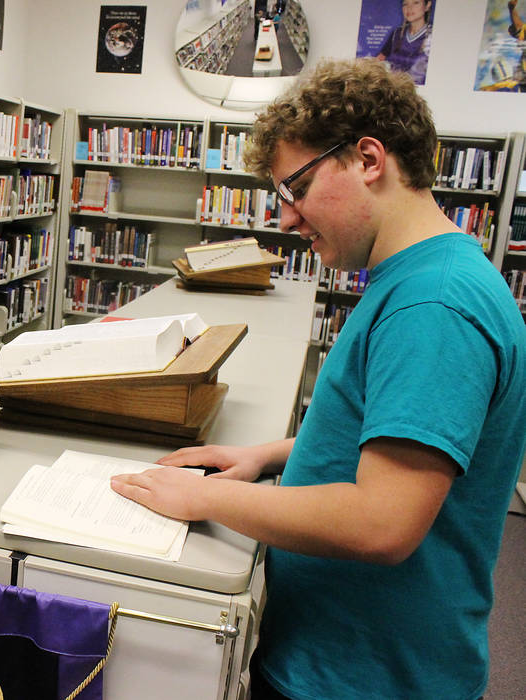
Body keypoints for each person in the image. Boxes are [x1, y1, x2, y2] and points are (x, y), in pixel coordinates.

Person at [111, 58, 526, 700]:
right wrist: (271, 455)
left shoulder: (434, 306)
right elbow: (393, 435)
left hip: (364, 678)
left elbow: (381, 522)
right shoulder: (424, 278)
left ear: (367, 159)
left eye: (296, 189)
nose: (287, 219)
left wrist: (202, 499)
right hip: (350, 655)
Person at [374, 0, 433, 85]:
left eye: (416, 2)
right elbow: (377, 61)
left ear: (427, 5)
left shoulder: (432, 35)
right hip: (395, 91)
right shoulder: (397, 34)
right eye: (405, 4)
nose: (409, 8)